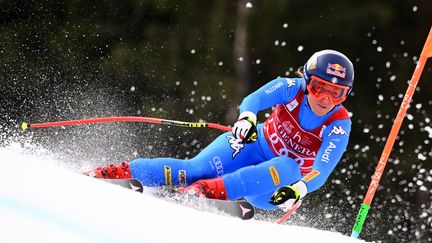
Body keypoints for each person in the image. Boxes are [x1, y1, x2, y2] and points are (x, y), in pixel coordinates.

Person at [84, 49, 354, 211]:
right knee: (194, 169)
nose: (326, 99)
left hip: (274, 186)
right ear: (307, 82)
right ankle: (119, 172)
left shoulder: (338, 124)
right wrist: (246, 119)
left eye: (337, 93)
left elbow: (322, 169)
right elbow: (254, 101)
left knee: (288, 165)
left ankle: (203, 193)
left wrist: (300, 190)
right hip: (253, 146)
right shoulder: (291, 87)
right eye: (320, 88)